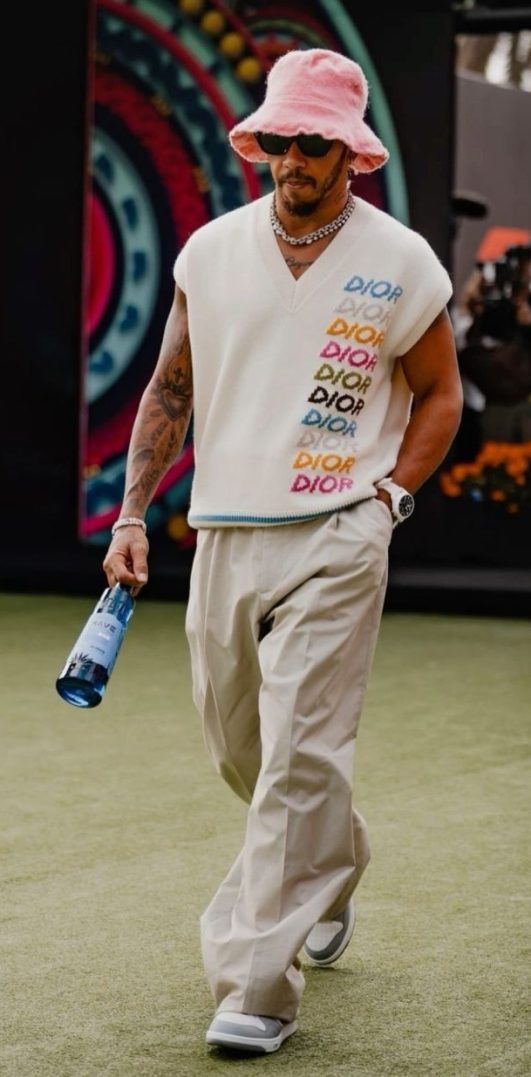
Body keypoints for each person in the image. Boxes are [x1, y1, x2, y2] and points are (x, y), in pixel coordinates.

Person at [103, 48, 463, 1055]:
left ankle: (254, 984)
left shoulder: (402, 261)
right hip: (226, 530)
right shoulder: (210, 253)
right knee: (240, 749)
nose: (292, 158)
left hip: (342, 532)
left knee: (300, 751)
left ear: (351, 153)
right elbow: (170, 390)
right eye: (278, 139)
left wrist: (389, 497)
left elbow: (440, 394)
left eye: (313, 142)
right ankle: (332, 859)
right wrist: (132, 515)